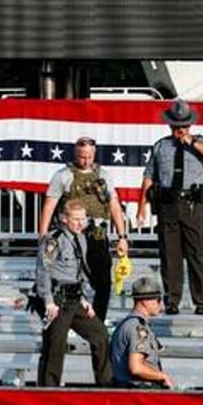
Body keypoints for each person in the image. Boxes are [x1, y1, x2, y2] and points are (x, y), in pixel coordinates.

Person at [137, 99, 203, 316]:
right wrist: (142, 206)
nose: (180, 129)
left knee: (197, 254)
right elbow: (149, 175)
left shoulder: (201, 142)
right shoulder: (161, 146)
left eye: (184, 125)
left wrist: (191, 142)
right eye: (176, 126)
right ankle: (172, 299)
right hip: (167, 204)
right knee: (169, 255)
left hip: (193, 205)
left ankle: (201, 301)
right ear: (170, 126)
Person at [39, 136, 129, 324]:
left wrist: (122, 236)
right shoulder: (63, 175)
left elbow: (114, 205)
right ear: (75, 154)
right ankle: (69, 320)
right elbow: (49, 205)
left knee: (103, 282)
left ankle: (97, 322)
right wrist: (43, 235)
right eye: (82, 157)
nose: (86, 161)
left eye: (89, 157)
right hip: (71, 236)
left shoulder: (103, 175)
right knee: (70, 279)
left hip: (97, 234)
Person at [35, 199, 113, 387]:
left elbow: (81, 271)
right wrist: (48, 301)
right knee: (55, 347)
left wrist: (84, 299)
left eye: (83, 219)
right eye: (75, 219)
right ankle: (48, 391)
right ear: (64, 219)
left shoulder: (81, 238)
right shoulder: (54, 240)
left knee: (100, 334)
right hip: (57, 299)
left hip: (74, 299)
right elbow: (43, 270)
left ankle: (105, 385)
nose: (80, 223)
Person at [109, 276, 173, 389]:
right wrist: (162, 376)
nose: (161, 305)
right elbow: (136, 367)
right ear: (145, 302)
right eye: (158, 299)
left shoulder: (127, 323)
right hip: (138, 390)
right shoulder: (138, 328)